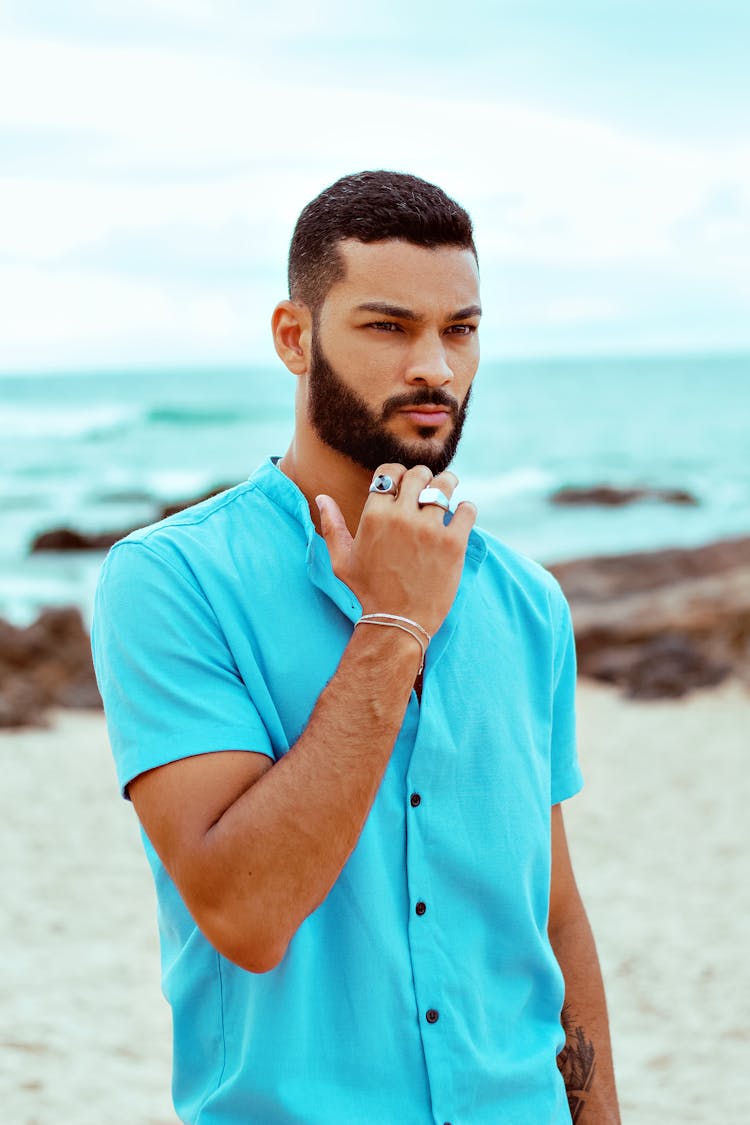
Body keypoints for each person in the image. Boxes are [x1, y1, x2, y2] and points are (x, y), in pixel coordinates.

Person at [92, 170, 620, 1124]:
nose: (436, 368)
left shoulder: (527, 603)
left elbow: (555, 915)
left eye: (460, 329)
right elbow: (245, 914)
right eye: (390, 327)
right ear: (295, 338)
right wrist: (393, 627)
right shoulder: (171, 581)